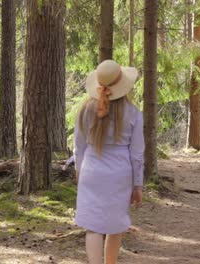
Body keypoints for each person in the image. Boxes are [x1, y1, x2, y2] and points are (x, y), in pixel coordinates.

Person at [74, 60, 144, 264]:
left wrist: (79, 173)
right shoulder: (133, 113)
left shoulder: (85, 110)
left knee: (93, 228)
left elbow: (78, 147)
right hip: (120, 174)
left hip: (91, 171)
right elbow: (137, 154)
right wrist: (138, 184)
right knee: (115, 226)